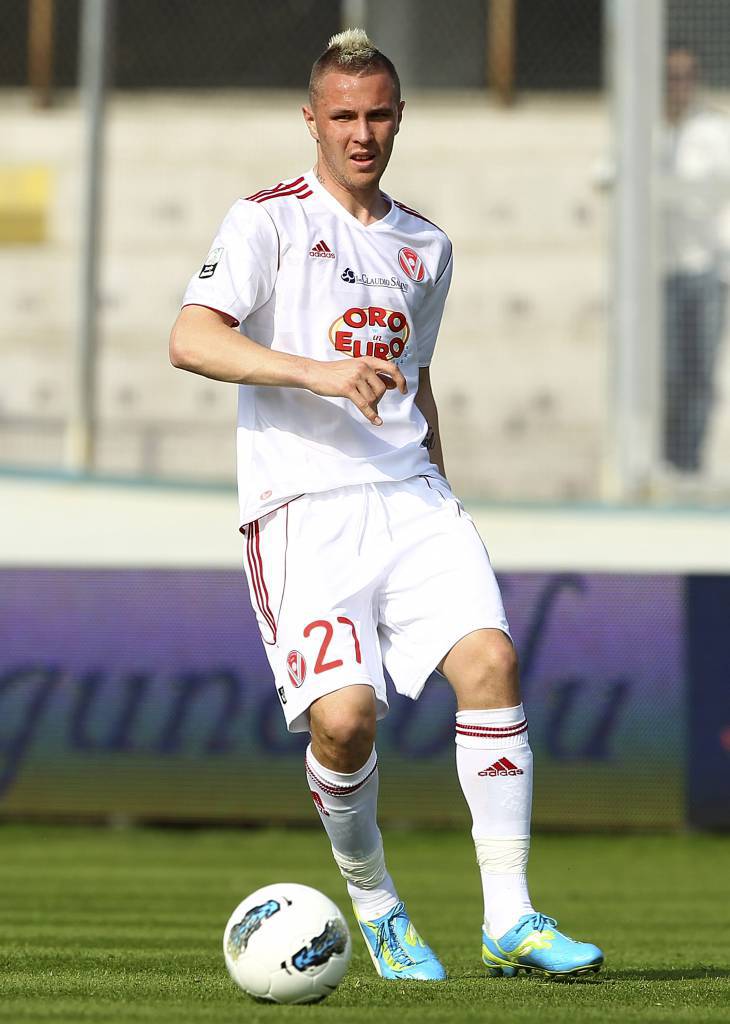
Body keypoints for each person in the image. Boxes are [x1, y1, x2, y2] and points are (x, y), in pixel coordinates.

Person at [170, 29, 603, 982]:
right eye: (343, 117)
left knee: (492, 661)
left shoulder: (425, 245)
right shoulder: (266, 222)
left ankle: (511, 916)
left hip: (412, 497)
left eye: (376, 116)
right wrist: (318, 372)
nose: (360, 134)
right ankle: (377, 906)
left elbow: (419, 381)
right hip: (302, 506)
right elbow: (191, 338)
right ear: (312, 120)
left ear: (399, 118)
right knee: (345, 721)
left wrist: (442, 483)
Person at [661, 45, 730, 476]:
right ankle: (667, 460)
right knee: (667, 371)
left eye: (685, 76)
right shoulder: (651, 131)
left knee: (699, 371)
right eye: (671, 77)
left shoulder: (714, 131)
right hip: (662, 271)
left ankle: (690, 463)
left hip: (706, 267)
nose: (678, 85)